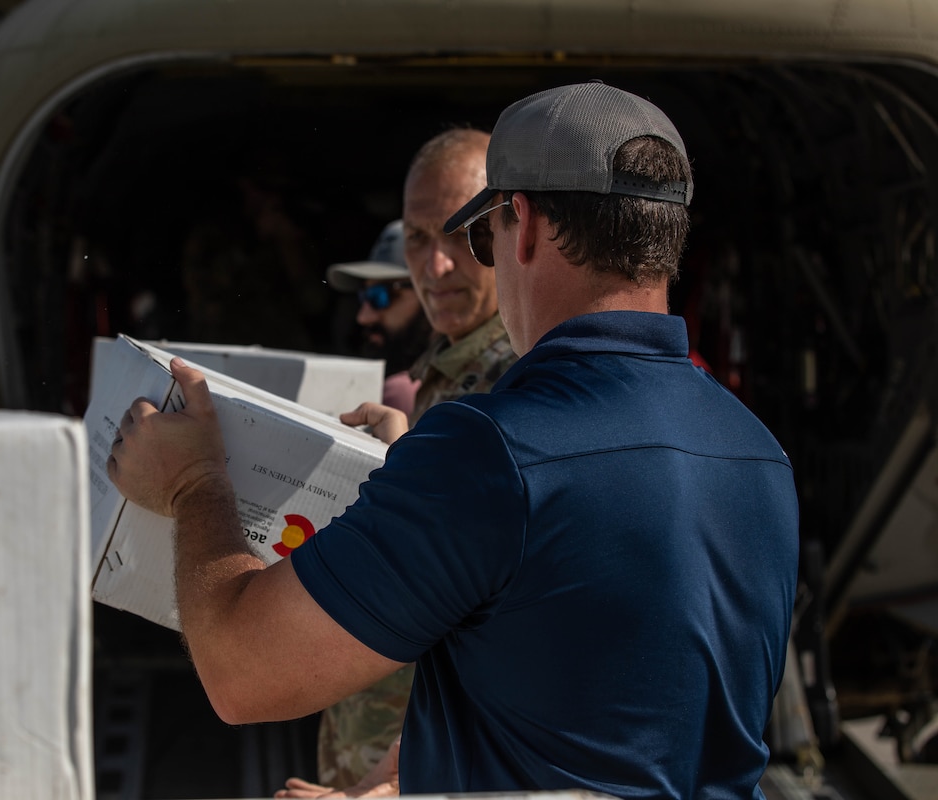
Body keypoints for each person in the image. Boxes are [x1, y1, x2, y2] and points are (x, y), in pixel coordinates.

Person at [107, 82, 799, 798]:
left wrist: (193, 483)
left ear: (521, 225)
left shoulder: (491, 452)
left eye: (480, 231)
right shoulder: (759, 455)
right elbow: (598, 714)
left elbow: (242, 674)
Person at [306, 129, 519, 794]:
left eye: (460, 234)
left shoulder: (519, 393)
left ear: (515, 229)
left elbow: (509, 638)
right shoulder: (444, 376)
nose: (435, 268)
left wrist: (398, 786)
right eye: (419, 240)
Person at [326, 220, 432, 417]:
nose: (363, 317)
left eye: (380, 296)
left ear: (434, 293)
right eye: (363, 295)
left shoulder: (402, 393)